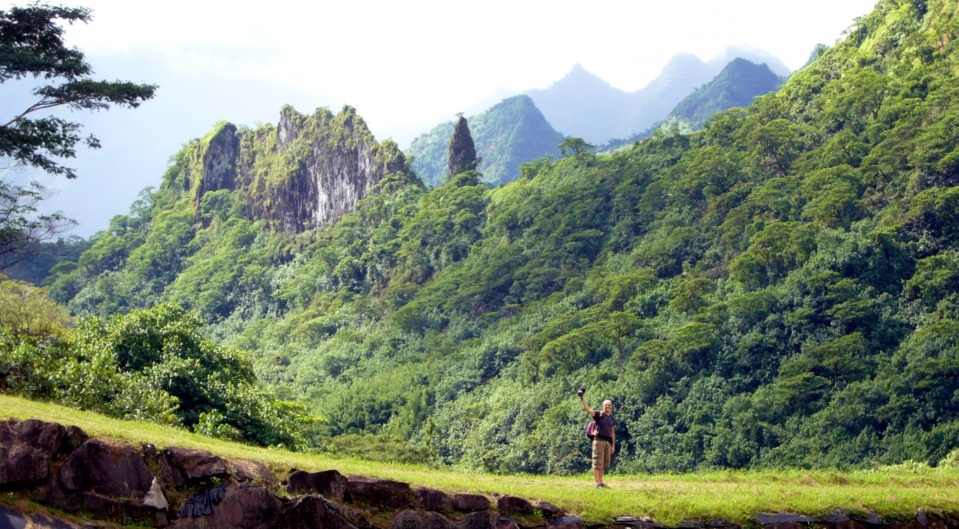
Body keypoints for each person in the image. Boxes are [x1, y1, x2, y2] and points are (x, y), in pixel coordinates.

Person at [579, 391, 615, 488]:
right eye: (606, 405)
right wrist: (582, 398)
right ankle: (598, 483)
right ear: (603, 406)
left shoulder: (611, 417)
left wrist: (613, 445)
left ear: (611, 406)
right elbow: (588, 409)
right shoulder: (599, 415)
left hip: (607, 442)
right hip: (599, 441)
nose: (607, 406)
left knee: (602, 464)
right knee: (597, 463)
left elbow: (612, 432)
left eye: (609, 405)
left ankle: (601, 482)